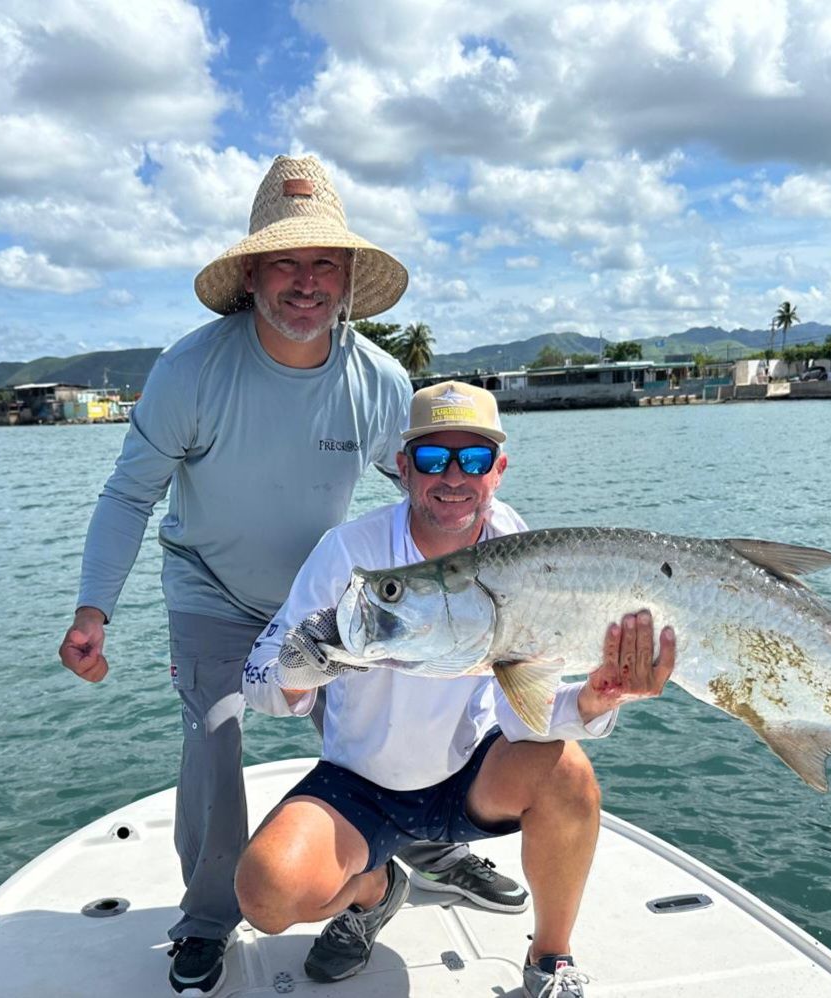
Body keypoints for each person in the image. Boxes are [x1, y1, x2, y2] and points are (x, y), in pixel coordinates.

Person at [56, 157, 525, 998]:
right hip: (211, 591)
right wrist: (94, 612)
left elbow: (439, 491)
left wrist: (513, 589)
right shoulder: (191, 371)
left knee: (398, 701)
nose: (306, 283)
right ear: (251, 276)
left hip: (328, 595)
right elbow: (129, 492)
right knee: (216, 735)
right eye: (285, 262)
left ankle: (428, 850)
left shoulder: (379, 382)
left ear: (347, 279)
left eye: (323, 264)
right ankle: (207, 918)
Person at [237, 381, 676, 998]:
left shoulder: (515, 543)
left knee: (569, 773)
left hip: (472, 771)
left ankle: (550, 958)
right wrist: (300, 669)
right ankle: (377, 890)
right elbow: (255, 678)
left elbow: (524, 711)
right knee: (265, 894)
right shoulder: (350, 553)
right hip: (362, 781)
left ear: (498, 469)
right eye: (431, 457)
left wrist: (596, 701)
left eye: (473, 458)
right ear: (403, 467)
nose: (453, 476)